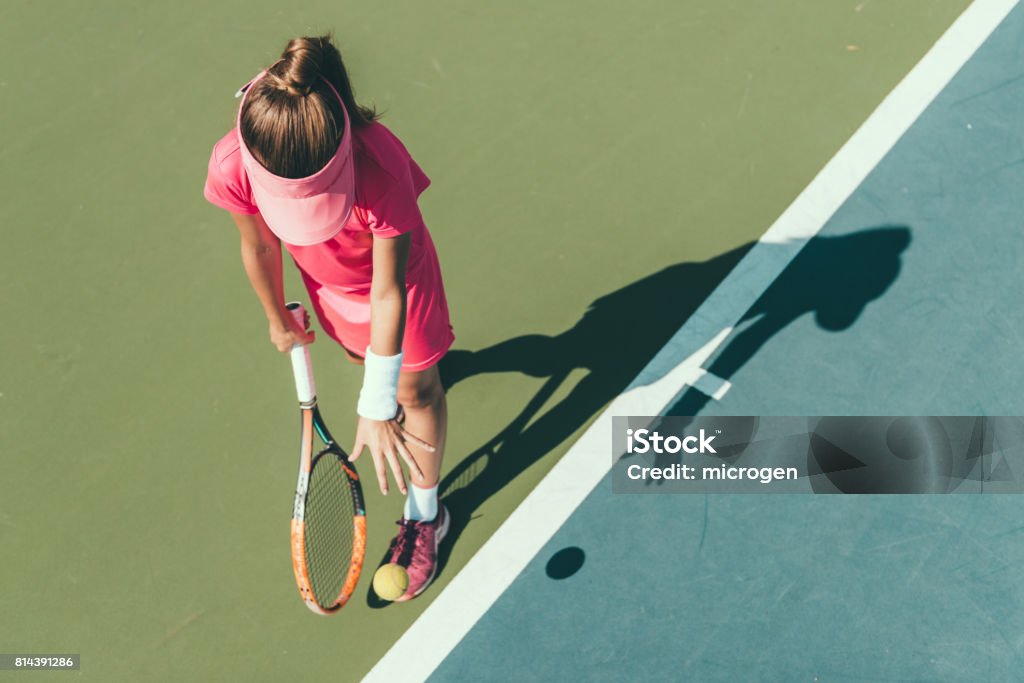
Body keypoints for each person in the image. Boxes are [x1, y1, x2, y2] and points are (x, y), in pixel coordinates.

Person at [202, 34, 453, 601]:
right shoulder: (231, 163)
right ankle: (406, 383)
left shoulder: (379, 166)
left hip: (396, 286)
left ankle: (426, 514)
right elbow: (262, 246)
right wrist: (274, 315)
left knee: (415, 392)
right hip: (327, 288)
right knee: (368, 360)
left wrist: (378, 399)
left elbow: (390, 291)